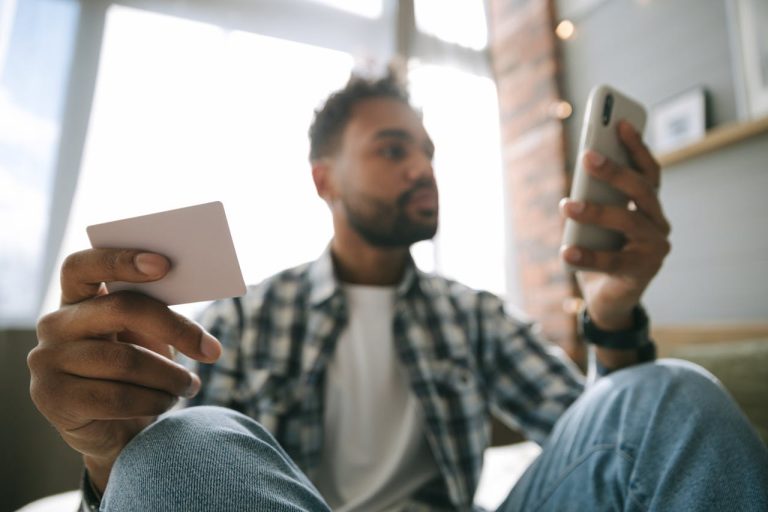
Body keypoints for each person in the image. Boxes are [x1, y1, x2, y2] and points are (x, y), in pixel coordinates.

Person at [29, 72, 768, 512]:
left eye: (428, 151)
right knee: (179, 441)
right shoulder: (246, 319)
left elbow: (613, 440)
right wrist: (110, 456)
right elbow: (181, 482)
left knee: (672, 390)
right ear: (324, 180)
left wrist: (610, 315)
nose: (423, 168)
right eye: (392, 149)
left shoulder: (470, 313)